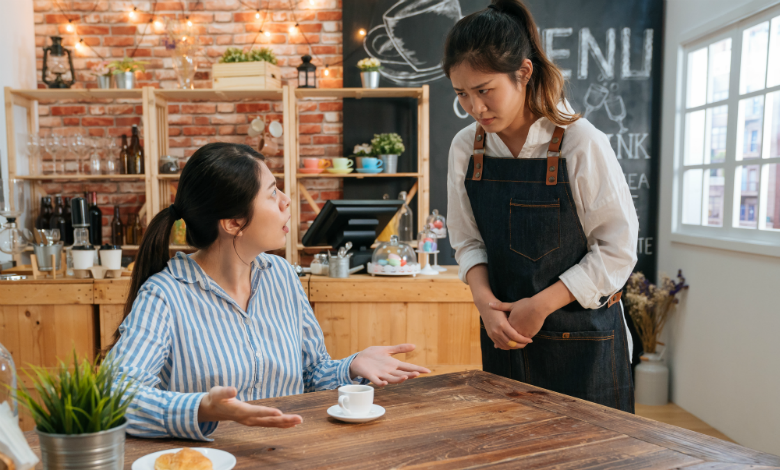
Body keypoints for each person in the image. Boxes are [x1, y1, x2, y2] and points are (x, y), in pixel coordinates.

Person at [109, 143, 429, 440]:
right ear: (234, 223)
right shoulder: (165, 295)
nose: (286, 200)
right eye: (272, 192)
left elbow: (311, 373)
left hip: (288, 452)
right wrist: (200, 409)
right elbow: (114, 396)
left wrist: (352, 365)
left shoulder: (283, 277)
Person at [444, 0, 638, 412]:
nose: (475, 108)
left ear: (524, 73)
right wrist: (484, 302)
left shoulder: (580, 141)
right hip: (505, 337)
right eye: (462, 94)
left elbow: (617, 250)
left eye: (484, 91)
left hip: (585, 342)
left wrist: (540, 306)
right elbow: (468, 242)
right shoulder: (466, 147)